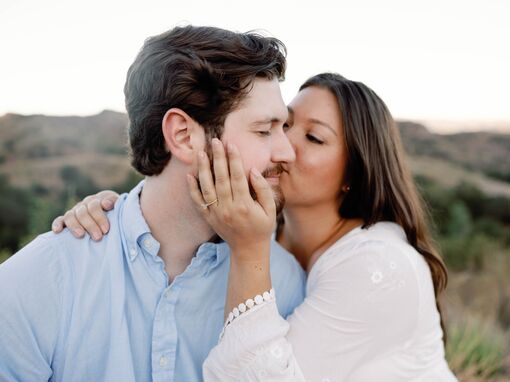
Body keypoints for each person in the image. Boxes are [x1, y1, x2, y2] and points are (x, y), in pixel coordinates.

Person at [60, 73, 458, 381]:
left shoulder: (377, 266)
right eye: (279, 125)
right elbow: (172, 207)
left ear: (353, 173)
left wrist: (249, 249)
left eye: (314, 138)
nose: (282, 146)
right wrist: (114, 210)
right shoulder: (264, 224)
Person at [0, 25, 305, 382]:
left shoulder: (283, 286)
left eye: (284, 128)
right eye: (265, 130)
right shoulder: (41, 278)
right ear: (182, 135)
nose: (287, 152)